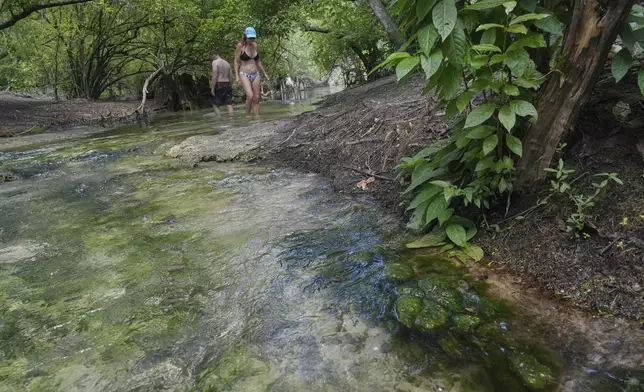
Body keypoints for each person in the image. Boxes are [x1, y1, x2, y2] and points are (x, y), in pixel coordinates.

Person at [234, 27, 269, 117]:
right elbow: (236, 61)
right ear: (245, 36)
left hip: (255, 74)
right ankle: (247, 117)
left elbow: (258, 60)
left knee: (257, 98)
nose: (251, 40)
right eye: (250, 38)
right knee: (250, 96)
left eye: (253, 38)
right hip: (244, 73)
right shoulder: (240, 46)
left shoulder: (255, 45)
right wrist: (237, 76)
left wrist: (265, 73)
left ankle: (257, 118)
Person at [211, 49, 234, 116]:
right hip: (227, 84)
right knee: (229, 104)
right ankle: (231, 119)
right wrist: (230, 85)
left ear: (214, 55)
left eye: (211, 57)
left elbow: (215, 75)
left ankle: (219, 120)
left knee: (215, 104)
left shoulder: (215, 62)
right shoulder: (227, 63)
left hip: (219, 84)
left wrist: (212, 88)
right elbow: (231, 77)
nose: (212, 59)